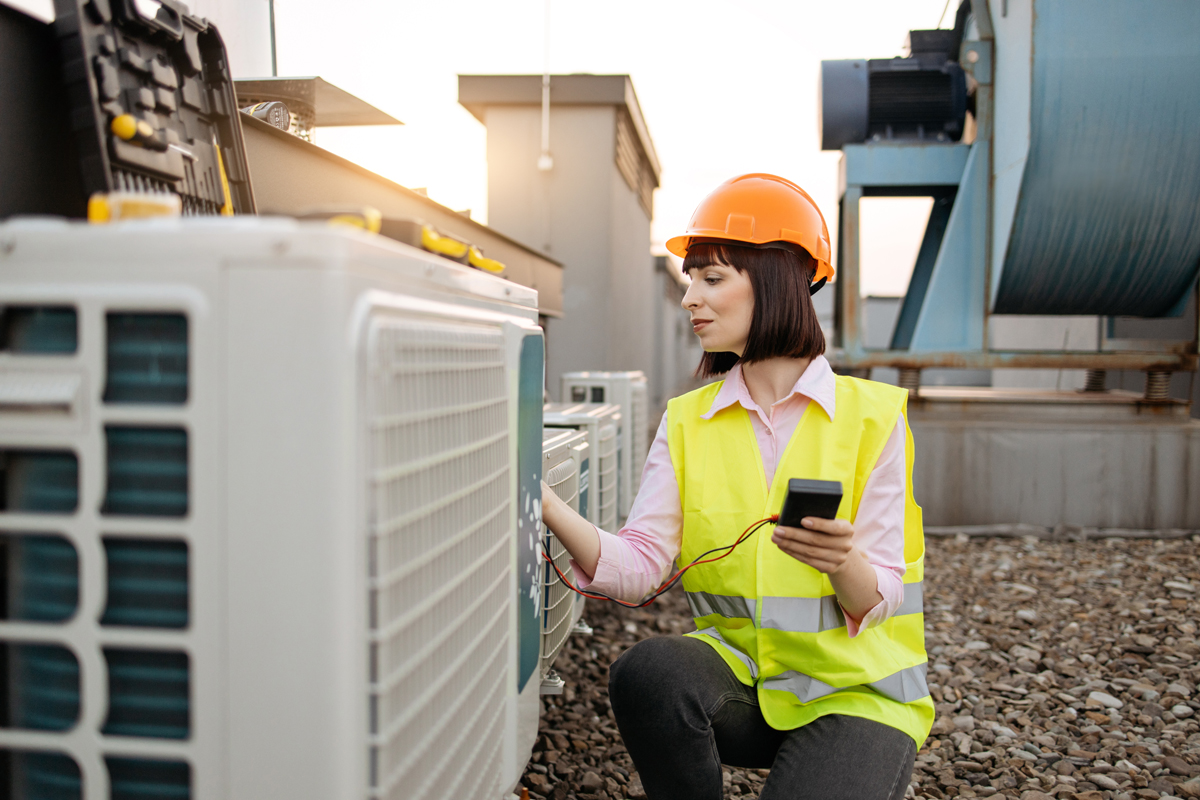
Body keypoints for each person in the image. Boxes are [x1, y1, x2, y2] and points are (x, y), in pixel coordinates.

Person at [541, 173, 931, 800]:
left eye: (712, 278)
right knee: (650, 672)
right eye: (691, 278)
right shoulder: (687, 421)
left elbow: (881, 595)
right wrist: (545, 502)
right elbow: (640, 567)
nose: (690, 297)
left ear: (778, 280)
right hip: (744, 688)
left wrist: (843, 563)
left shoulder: (875, 416)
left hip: (856, 696)